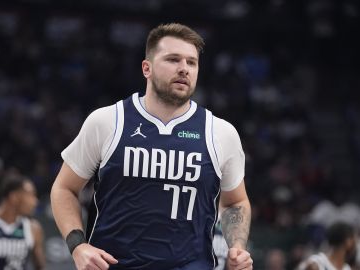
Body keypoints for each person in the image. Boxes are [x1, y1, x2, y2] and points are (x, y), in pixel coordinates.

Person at [50, 22, 253, 270]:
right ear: (147, 68)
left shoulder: (221, 132)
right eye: (173, 59)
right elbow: (64, 188)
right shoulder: (107, 121)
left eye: (191, 62)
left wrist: (238, 248)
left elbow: (235, 202)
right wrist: (78, 246)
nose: (184, 69)